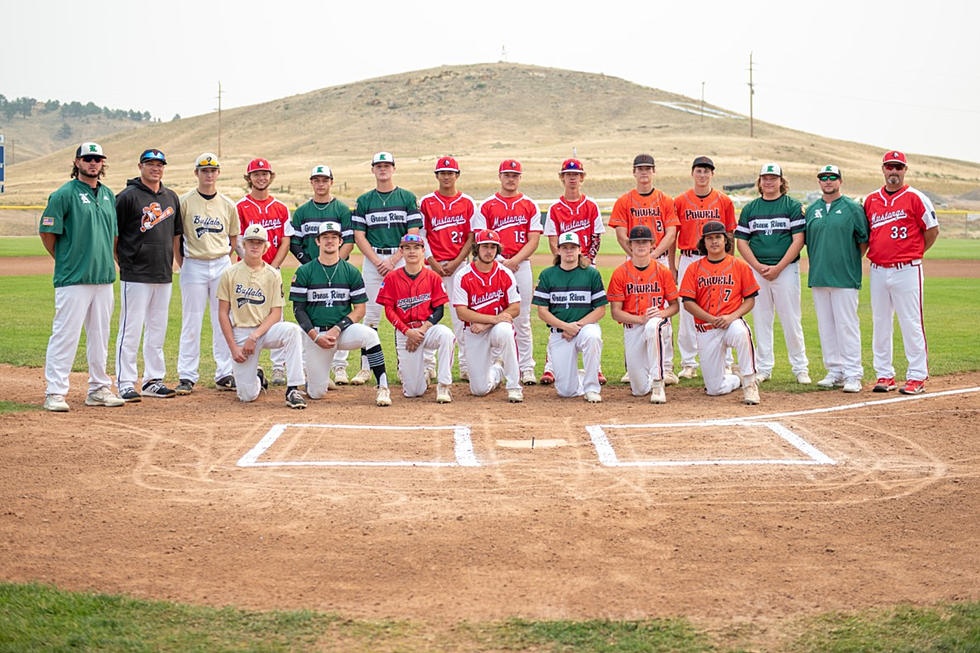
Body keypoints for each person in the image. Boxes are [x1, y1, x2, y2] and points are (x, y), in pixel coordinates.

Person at [39, 142, 125, 411]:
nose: (93, 163)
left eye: (97, 159)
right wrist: (66, 260)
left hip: (103, 278)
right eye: (87, 158)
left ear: (102, 164)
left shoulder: (109, 195)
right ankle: (55, 392)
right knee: (65, 334)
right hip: (73, 279)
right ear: (77, 162)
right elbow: (47, 233)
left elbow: (113, 236)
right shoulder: (64, 194)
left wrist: (114, 263)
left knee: (100, 336)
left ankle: (99, 388)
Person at [290, 221, 392, 406]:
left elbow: (360, 309)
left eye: (334, 237)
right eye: (325, 237)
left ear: (340, 241)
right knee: (316, 393)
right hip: (317, 335)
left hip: (342, 332)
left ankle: (383, 387)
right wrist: (315, 336)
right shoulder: (304, 271)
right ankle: (316, 376)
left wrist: (337, 329)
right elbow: (298, 310)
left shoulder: (351, 272)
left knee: (370, 334)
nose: (330, 241)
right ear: (318, 241)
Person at [863, 150, 940, 395]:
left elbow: (932, 231)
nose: (893, 171)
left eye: (898, 167)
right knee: (880, 323)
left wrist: (913, 252)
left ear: (905, 170)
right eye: (889, 167)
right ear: (883, 169)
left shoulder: (916, 197)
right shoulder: (871, 199)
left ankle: (917, 376)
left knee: (911, 322)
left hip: (907, 269)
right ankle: (884, 374)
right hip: (877, 270)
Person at [114, 148, 182, 401]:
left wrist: (176, 265)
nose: (156, 168)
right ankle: (125, 382)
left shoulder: (171, 197)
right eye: (150, 163)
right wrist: (125, 263)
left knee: (157, 330)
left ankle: (153, 380)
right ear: (140, 166)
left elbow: (176, 235)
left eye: (160, 164)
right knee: (130, 329)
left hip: (163, 274)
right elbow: (115, 236)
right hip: (135, 274)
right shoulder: (127, 197)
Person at [735, 162, 811, 385]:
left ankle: (800, 367)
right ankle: (764, 367)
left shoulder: (792, 206)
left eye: (773, 178)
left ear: (781, 181)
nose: (768, 182)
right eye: (764, 178)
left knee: (791, 319)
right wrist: (758, 266)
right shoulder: (751, 208)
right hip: (758, 270)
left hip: (785, 269)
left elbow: (799, 240)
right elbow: (742, 242)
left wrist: (778, 267)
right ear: (759, 181)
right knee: (761, 319)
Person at [216, 224, 306, 409]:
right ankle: (257, 376)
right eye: (251, 242)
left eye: (259, 243)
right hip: (241, 331)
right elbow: (222, 313)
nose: (255, 246)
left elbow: (276, 313)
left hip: (266, 330)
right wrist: (233, 348)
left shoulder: (273, 275)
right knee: (246, 396)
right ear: (243, 244)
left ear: (266, 247)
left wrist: (255, 336)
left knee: (293, 331)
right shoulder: (229, 273)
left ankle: (293, 388)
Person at [352, 151, 422, 386]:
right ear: (372, 169)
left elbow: (413, 233)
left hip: (401, 258)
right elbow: (359, 235)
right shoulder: (364, 201)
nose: (383, 169)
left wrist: (393, 260)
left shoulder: (406, 197)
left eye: (387, 165)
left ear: (394, 168)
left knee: (403, 313)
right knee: (370, 315)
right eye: (378, 166)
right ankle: (365, 368)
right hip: (374, 261)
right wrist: (377, 261)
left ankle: (404, 367)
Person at [609, 153, 680, 384]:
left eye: (648, 168)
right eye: (640, 168)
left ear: (654, 171)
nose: (644, 172)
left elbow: (671, 231)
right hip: (634, 257)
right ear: (634, 172)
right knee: (632, 308)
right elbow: (620, 233)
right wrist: (636, 255)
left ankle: (666, 367)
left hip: (657, 258)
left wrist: (655, 253)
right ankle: (633, 366)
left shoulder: (665, 200)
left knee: (661, 315)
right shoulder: (624, 200)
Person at [174, 152, 239, 394]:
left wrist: (225, 259)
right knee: (191, 320)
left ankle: (224, 372)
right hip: (193, 264)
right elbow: (176, 238)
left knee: (222, 319)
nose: (209, 174)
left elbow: (233, 239)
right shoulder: (185, 201)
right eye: (204, 170)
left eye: (212, 170)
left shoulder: (228, 204)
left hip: (221, 263)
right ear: (196, 173)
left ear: (218, 173)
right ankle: (187, 375)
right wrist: (182, 262)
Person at [473, 159, 542, 385]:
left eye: (515, 175)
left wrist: (514, 261)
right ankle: (496, 364)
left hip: (521, 266)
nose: (511, 179)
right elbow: (480, 238)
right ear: (500, 176)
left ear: (520, 178)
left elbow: (533, 240)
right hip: (494, 265)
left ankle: (526, 367)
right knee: (493, 313)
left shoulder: (529, 204)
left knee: (522, 318)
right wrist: (501, 260)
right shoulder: (487, 205)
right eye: (507, 174)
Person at [540, 158, 607, 386]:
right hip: (563, 266)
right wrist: (562, 262)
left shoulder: (591, 206)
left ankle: (594, 368)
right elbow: (552, 239)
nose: (572, 178)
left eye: (576, 174)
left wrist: (587, 259)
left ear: (582, 177)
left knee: (590, 315)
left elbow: (596, 236)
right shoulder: (556, 208)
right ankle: (550, 366)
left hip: (587, 266)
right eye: (568, 174)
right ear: (561, 178)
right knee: (558, 312)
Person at [679, 221, 761, 404]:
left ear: (726, 240)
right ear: (704, 242)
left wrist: (732, 317)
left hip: (731, 322)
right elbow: (687, 303)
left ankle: (750, 384)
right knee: (715, 390)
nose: (714, 241)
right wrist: (711, 318)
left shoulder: (739, 266)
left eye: (718, 237)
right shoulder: (694, 269)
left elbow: (750, 300)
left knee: (742, 332)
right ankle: (737, 379)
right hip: (707, 327)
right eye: (709, 238)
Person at [289, 164, 355, 386]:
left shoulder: (342, 210)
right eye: (316, 180)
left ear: (331, 182)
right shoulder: (302, 212)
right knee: (313, 313)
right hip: (311, 270)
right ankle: (313, 369)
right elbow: (295, 242)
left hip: (338, 269)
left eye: (324, 180)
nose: (320, 184)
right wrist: (312, 266)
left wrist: (336, 264)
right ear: (311, 183)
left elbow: (348, 240)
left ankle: (340, 368)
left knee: (340, 309)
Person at [804, 165, 869, 393]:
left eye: (832, 177)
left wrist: (848, 261)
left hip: (844, 278)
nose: (828, 181)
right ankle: (835, 370)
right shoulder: (812, 210)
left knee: (847, 326)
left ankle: (853, 374)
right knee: (826, 327)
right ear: (819, 182)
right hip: (819, 276)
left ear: (840, 181)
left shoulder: (852, 208)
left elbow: (863, 241)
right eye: (824, 178)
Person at [673, 156, 737, 380]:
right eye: (699, 171)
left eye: (706, 171)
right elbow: (674, 236)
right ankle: (689, 362)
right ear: (692, 173)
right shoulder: (680, 201)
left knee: (720, 308)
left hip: (718, 259)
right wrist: (674, 265)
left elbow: (730, 234)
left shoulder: (723, 201)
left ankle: (726, 361)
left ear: (712, 174)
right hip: (689, 258)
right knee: (687, 311)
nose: (702, 175)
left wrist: (730, 263)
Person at [377, 234, 456, 402]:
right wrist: (407, 332)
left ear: (423, 251)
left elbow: (439, 310)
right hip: (404, 332)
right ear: (402, 252)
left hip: (426, 329)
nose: (412, 251)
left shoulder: (433, 276)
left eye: (416, 248)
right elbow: (389, 311)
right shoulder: (392, 277)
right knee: (413, 391)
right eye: (407, 248)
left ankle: (444, 386)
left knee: (446, 335)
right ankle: (424, 374)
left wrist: (421, 330)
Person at [236, 157, 294, 385]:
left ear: (270, 177)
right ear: (249, 178)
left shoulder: (280, 207)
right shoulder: (240, 206)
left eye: (265, 174)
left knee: (277, 316)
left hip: (273, 270)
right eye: (256, 174)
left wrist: (273, 268)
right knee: (249, 315)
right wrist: (253, 265)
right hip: (248, 272)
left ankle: (279, 367)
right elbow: (238, 242)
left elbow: (286, 241)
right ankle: (254, 364)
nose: (261, 178)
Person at [607, 226, 679, 403]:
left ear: (652, 245)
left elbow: (675, 306)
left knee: (653, 326)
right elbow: (615, 313)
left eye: (645, 242)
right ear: (630, 245)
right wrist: (640, 319)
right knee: (639, 390)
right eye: (636, 242)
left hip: (657, 323)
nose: (641, 245)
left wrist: (661, 313)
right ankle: (648, 380)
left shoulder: (662, 271)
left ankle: (658, 382)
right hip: (633, 326)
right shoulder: (620, 273)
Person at [533, 232, 607, 402]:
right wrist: (566, 327)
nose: (569, 251)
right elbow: (542, 312)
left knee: (593, 337)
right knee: (565, 391)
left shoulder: (591, 274)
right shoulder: (547, 275)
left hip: (584, 327)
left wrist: (575, 326)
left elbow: (600, 310)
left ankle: (591, 387)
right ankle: (578, 375)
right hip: (560, 331)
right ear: (558, 251)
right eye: (564, 248)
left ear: (580, 250)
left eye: (573, 248)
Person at [419, 156, 474, 380]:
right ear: (436, 176)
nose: (446, 176)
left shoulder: (467, 202)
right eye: (442, 172)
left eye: (450, 172)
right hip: (431, 267)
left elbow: (471, 236)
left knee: (461, 316)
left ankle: (465, 365)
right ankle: (428, 365)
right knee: (427, 315)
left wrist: (457, 261)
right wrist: (432, 262)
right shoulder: (426, 201)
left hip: (459, 267)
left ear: (457, 175)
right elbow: (422, 235)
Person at [452, 229, 524, 402]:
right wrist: (494, 319)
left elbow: (515, 307)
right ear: (476, 248)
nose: (489, 251)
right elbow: (462, 313)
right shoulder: (463, 275)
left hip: (493, 327)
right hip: (474, 331)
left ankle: (514, 386)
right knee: (479, 390)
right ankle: (498, 370)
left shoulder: (505, 273)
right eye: (485, 246)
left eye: (493, 247)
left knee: (506, 331)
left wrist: (489, 323)